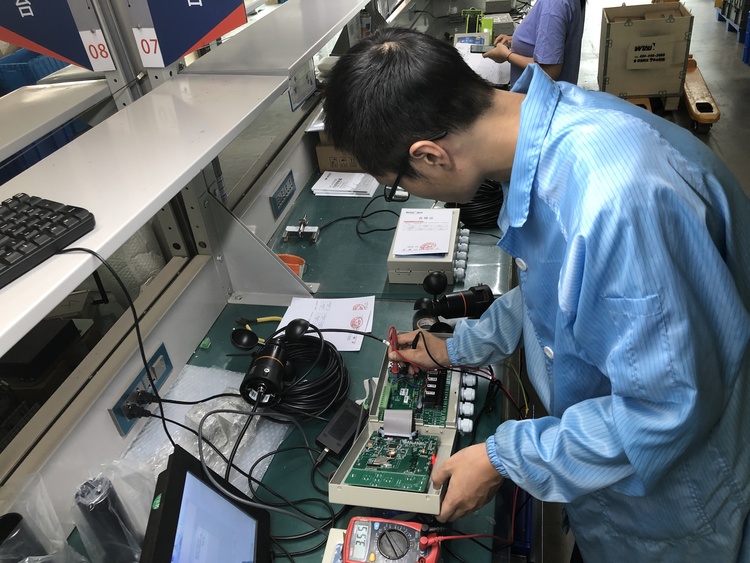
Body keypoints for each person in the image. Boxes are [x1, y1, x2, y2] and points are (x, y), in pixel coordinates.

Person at [323, 27, 750, 562]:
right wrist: (458, 346)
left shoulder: (616, 205)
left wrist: (504, 458)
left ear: (429, 155)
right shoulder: (545, 128)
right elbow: (557, 289)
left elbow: (666, 408)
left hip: (675, 510)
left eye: (398, 184)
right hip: (611, 490)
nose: (405, 194)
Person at [483, 0, 584, 85]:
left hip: (540, 99)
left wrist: (507, 55)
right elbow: (554, 40)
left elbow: (549, 71)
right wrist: (518, 41)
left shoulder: (552, 5)